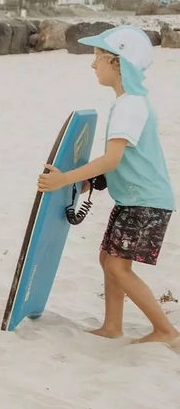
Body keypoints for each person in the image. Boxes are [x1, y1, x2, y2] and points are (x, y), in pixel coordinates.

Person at [38, 26, 176, 345]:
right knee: (108, 260)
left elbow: (111, 159)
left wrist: (64, 179)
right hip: (132, 198)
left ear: (117, 63)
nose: (93, 64)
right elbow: (124, 159)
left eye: (98, 57)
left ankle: (166, 331)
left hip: (146, 201)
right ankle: (112, 325)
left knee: (118, 266)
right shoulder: (128, 102)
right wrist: (89, 182)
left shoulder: (130, 106)